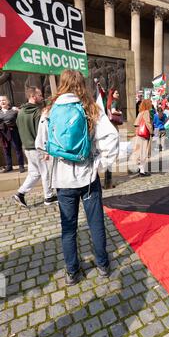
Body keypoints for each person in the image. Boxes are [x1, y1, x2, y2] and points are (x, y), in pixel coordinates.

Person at [35, 70, 119, 286]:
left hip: (63, 182)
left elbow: (40, 146)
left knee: (68, 228)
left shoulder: (48, 111)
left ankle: (72, 272)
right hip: (88, 178)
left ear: (62, 84)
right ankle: (103, 265)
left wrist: (51, 157)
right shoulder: (91, 109)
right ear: (82, 85)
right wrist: (99, 163)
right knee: (96, 224)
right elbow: (111, 139)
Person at [13, 86, 56, 208]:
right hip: (38, 148)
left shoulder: (20, 112)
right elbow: (42, 132)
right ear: (33, 96)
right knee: (45, 172)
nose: (42, 98)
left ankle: (20, 193)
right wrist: (46, 150)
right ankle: (48, 197)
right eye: (40, 95)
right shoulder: (37, 112)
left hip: (27, 148)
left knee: (34, 173)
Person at [0, 95, 25, 173]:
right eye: (0, 101)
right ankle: (9, 166)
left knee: (17, 149)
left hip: (13, 131)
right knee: (6, 150)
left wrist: (18, 110)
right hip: (3, 133)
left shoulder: (13, 110)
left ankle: (21, 166)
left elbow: (23, 114)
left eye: (4, 100)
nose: (2, 102)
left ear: (8, 101)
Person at [132, 99, 153, 177]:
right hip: (144, 135)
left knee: (140, 152)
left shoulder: (141, 112)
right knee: (144, 152)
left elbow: (136, 124)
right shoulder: (146, 112)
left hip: (139, 134)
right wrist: (151, 131)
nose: (151, 105)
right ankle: (142, 171)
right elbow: (147, 123)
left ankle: (141, 169)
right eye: (150, 103)